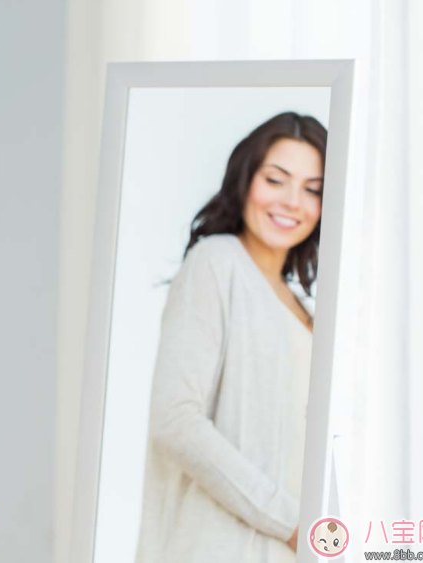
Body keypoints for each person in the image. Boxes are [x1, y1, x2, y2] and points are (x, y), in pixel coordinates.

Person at [135, 111, 326, 562]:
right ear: (246, 180)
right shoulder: (216, 263)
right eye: (276, 180)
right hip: (217, 544)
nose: (293, 202)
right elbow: (175, 420)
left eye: (313, 189)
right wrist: (291, 521)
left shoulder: (305, 307)